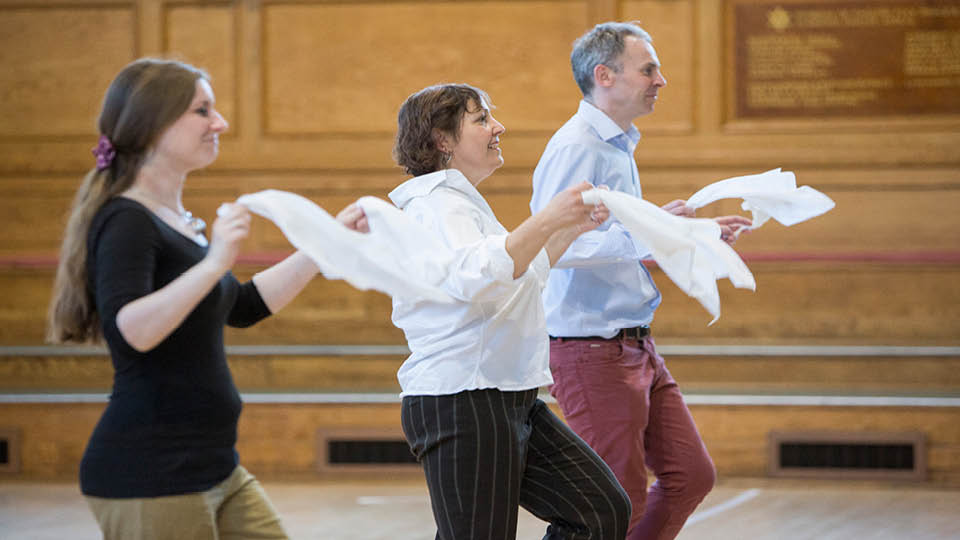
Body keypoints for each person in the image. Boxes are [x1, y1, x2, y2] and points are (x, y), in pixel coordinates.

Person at [46, 58, 367, 540]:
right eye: (203, 111)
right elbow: (132, 330)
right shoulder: (125, 220)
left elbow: (240, 306)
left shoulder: (173, 218)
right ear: (153, 123)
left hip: (216, 467)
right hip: (150, 472)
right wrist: (214, 260)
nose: (220, 123)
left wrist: (325, 244)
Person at [530, 23, 752, 540]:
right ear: (603, 75)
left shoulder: (617, 142)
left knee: (691, 475)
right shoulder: (577, 146)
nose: (662, 80)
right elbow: (553, 247)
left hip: (634, 343)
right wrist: (662, 235)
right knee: (614, 502)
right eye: (648, 69)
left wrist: (666, 224)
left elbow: (608, 227)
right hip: (590, 348)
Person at [390, 83, 632, 540]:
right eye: (481, 119)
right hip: (463, 400)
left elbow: (521, 275)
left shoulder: (459, 203)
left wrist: (571, 226)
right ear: (442, 140)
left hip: (508, 396)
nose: (498, 127)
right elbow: (479, 274)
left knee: (600, 512)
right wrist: (547, 219)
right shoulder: (434, 205)